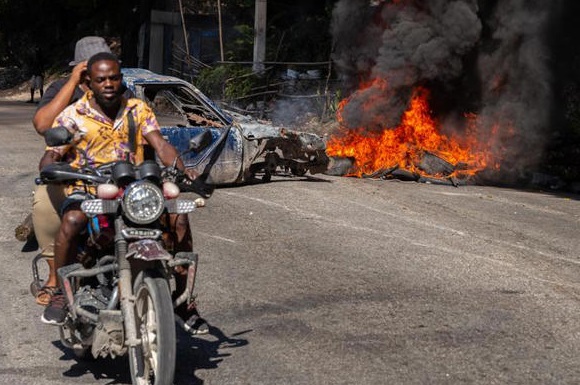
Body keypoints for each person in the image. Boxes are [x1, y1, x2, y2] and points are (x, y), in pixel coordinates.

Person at [40, 52, 207, 335]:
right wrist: (50, 168)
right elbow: (52, 153)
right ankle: (58, 290)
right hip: (89, 187)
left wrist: (182, 168)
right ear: (89, 83)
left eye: (114, 78)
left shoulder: (138, 109)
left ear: (121, 79)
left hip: (134, 188)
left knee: (178, 217)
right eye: (101, 79)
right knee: (72, 221)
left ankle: (183, 302)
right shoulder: (72, 115)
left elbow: (160, 143)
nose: (108, 84)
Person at [31, 37, 131, 306]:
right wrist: (73, 81)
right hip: (70, 172)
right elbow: (42, 125)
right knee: (44, 201)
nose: (103, 81)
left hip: (114, 171)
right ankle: (55, 278)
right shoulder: (63, 89)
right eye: (91, 71)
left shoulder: (121, 91)